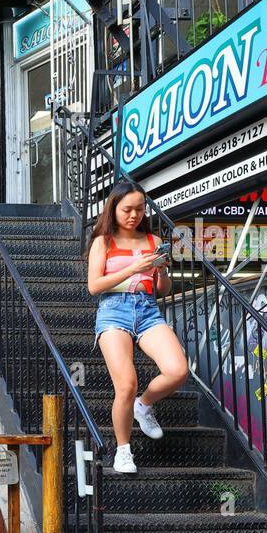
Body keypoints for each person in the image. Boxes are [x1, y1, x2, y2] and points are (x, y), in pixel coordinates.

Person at [86, 181, 189, 474]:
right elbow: (94, 286)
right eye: (127, 209)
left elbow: (162, 289)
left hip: (146, 310)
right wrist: (133, 269)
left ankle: (144, 406)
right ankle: (122, 451)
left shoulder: (153, 240)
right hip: (113, 310)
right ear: (114, 209)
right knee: (126, 384)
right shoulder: (103, 241)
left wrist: (161, 269)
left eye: (139, 209)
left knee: (178, 370)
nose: (133, 215)